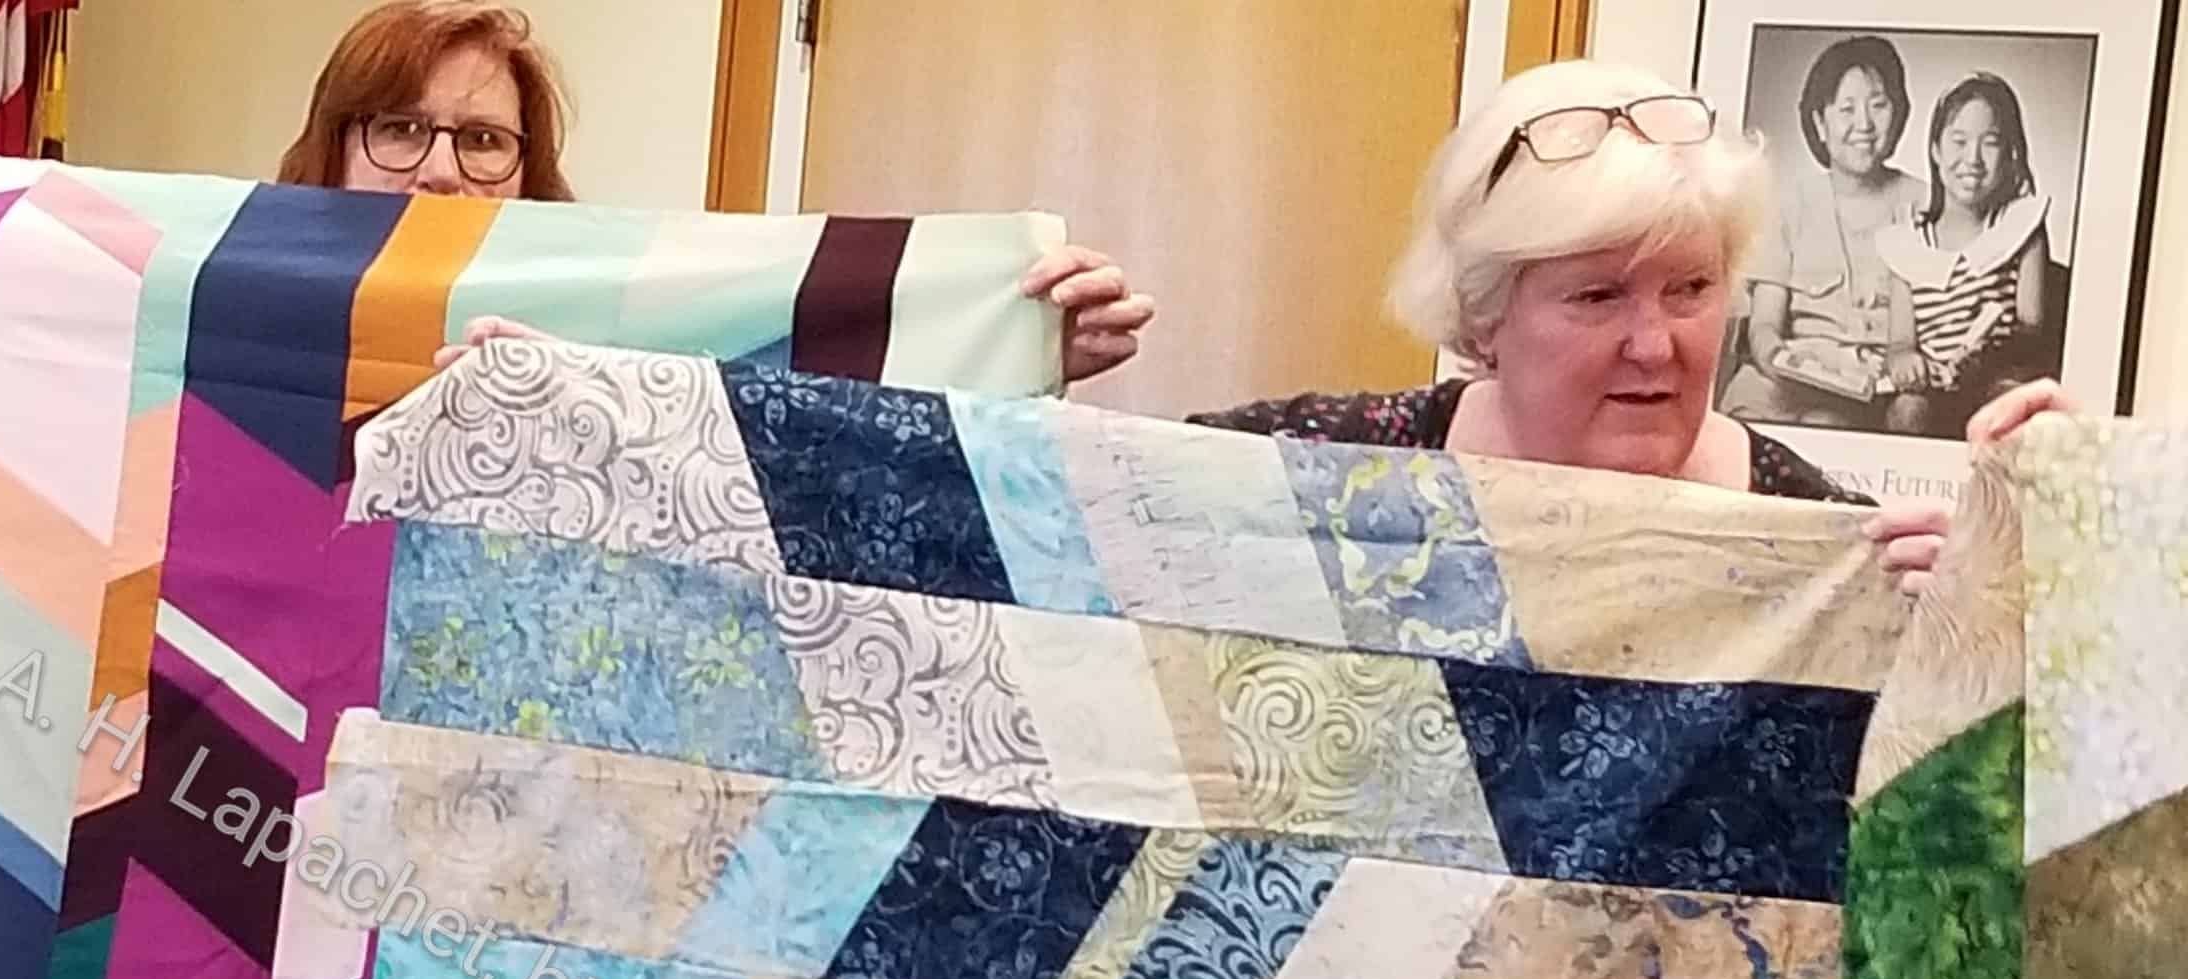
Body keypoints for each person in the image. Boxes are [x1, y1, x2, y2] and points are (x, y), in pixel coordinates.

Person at [1181, 58, 2087, 594]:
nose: (1656, 346)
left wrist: (2051, 576)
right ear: (1485, 316)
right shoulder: (1333, 468)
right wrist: (1076, 389)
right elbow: (1111, 527)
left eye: (1690, 288)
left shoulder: (1826, 546)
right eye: (1596, 297)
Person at [287, 0, 1157, 385]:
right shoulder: (238, 305)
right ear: (334, 148)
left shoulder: (609, 324)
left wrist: (1012, 341)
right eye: (400, 127)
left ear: (526, 174)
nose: (441, 170)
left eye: (483, 140)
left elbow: (810, 425)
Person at [1716, 34, 1926, 428]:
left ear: (1898, 113)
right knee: (1744, 411)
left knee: (1832, 423)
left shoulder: (1926, 203)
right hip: (1794, 375)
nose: (1864, 124)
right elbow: (1764, 324)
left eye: (1878, 105)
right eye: (1847, 109)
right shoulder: (1788, 204)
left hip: (1878, 386)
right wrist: (1777, 358)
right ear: (1820, 123)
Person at [1880, 72, 2051, 435]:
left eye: (1990, 143)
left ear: (2010, 154)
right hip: (1932, 390)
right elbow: (1900, 342)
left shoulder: (2021, 227)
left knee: (2010, 403)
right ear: (1935, 151)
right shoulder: (1907, 243)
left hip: (1998, 379)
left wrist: (1986, 357)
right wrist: (1905, 360)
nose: (1972, 158)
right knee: (1908, 411)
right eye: (1958, 141)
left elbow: (2032, 328)